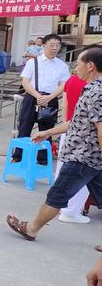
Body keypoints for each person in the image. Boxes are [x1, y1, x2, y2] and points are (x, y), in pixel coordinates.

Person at [6, 45, 102, 242]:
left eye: (79, 64)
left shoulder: (97, 92)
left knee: (58, 195)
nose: (76, 68)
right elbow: (76, 122)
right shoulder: (91, 89)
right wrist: (47, 132)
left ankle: (31, 229)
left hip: (84, 157)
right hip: (91, 158)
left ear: (90, 66)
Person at [11, 33, 70, 164]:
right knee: (25, 127)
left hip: (51, 99)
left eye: (57, 45)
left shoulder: (62, 65)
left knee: (47, 129)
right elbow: (25, 81)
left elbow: (64, 84)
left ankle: (43, 158)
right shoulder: (33, 62)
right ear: (44, 45)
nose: (55, 48)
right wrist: (38, 96)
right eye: (52, 45)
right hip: (32, 97)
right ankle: (18, 156)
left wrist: (50, 97)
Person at [55, 73, 90, 224]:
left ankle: (58, 205)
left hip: (68, 128)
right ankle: (70, 211)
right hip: (86, 135)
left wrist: (66, 124)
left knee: (63, 169)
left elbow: (65, 102)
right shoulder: (95, 86)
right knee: (83, 173)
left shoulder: (72, 79)